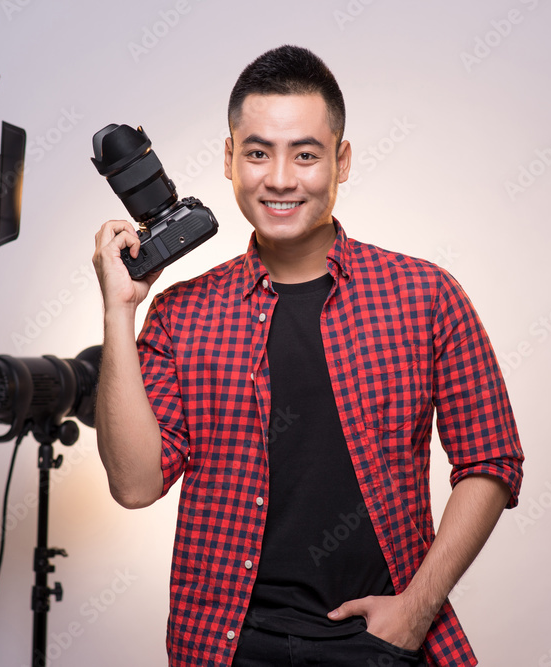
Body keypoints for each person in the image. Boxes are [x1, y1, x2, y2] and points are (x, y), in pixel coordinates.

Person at [93, 45, 524, 667]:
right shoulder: (181, 314)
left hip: (380, 640)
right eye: (259, 152)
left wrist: (414, 611)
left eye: (306, 154)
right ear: (229, 158)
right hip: (224, 645)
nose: (281, 179)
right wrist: (120, 310)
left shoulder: (425, 294)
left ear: (340, 161)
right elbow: (135, 485)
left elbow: (491, 461)